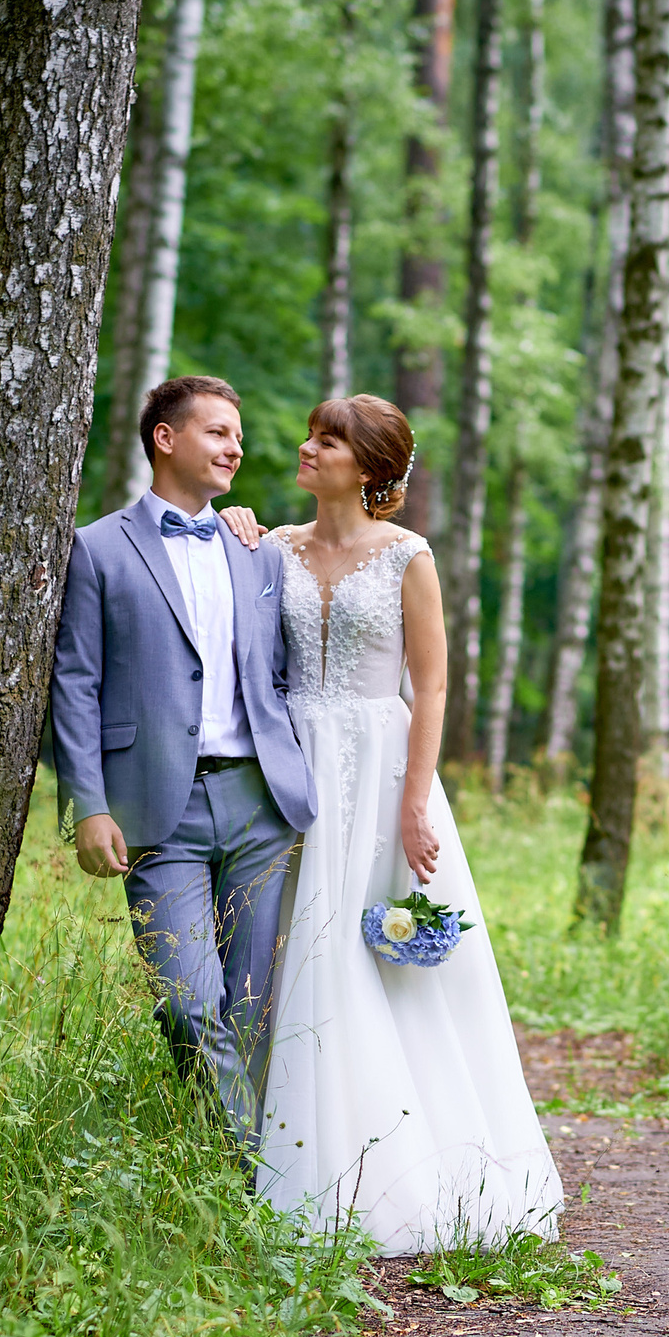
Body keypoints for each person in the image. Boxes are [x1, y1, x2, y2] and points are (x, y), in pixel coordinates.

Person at [249, 395, 562, 1252]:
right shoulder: (271, 546)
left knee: (377, 958)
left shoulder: (406, 557)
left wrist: (415, 803)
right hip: (286, 762)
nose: (308, 448)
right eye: (310, 433)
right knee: (291, 952)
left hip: (379, 769)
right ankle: (292, 1151)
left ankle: (413, 1170)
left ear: (372, 468)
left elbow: (431, 686)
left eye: (329, 440)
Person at [49, 376, 316, 1161]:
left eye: (238, 436)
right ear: (166, 439)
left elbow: (282, 670)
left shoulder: (254, 549)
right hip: (154, 807)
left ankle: (240, 1185)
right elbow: (76, 683)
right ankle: (249, 1175)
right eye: (218, 432)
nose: (236, 447)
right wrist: (89, 805)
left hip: (260, 802)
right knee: (189, 1005)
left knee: (252, 1006)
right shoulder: (97, 548)